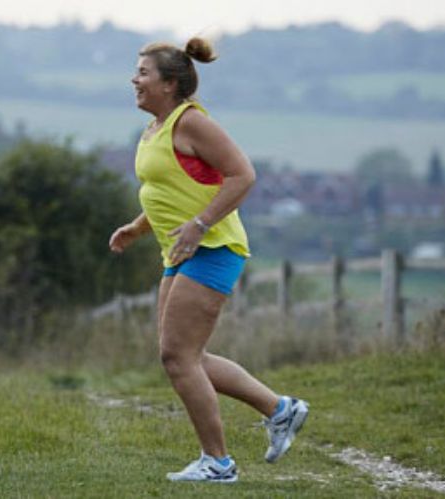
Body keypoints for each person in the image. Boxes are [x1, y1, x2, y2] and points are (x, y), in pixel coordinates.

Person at [109, 37, 309, 483]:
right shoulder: (156, 127)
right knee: (183, 356)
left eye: (143, 73)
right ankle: (280, 410)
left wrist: (200, 224)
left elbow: (243, 174)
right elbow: (171, 187)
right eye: (135, 71)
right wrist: (138, 227)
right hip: (179, 250)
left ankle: (218, 463)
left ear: (170, 83)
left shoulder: (191, 122)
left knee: (178, 357)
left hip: (213, 248)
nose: (133, 79)